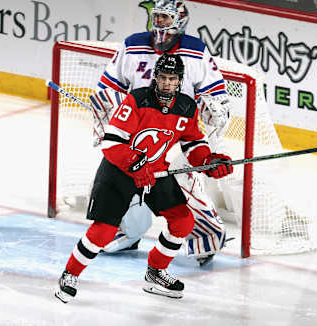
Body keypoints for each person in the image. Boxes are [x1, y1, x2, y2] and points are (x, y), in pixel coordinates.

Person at [55, 53, 233, 303]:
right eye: (162, 77)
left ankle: (156, 273)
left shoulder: (185, 107)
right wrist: (135, 163)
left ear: (180, 80)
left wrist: (207, 161)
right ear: (155, 78)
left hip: (155, 172)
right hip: (119, 171)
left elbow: (193, 141)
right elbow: (112, 143)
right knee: (104, 232)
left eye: (172, 79)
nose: (167, 83)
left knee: (182, 221)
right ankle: (69, 274)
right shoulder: (137, 100)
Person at [90, 0, 232, 266]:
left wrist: (211, 110)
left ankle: (206, 240)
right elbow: (108, 87)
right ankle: (129, 232)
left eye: (166, 19)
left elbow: (218, 99)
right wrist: (105, 109)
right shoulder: (133, 46)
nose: (160, 25)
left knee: (187, 186)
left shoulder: (196, 52)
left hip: (182, 130)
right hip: (140, 129)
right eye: (157, 18)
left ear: (179, 21)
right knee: (125, 180)